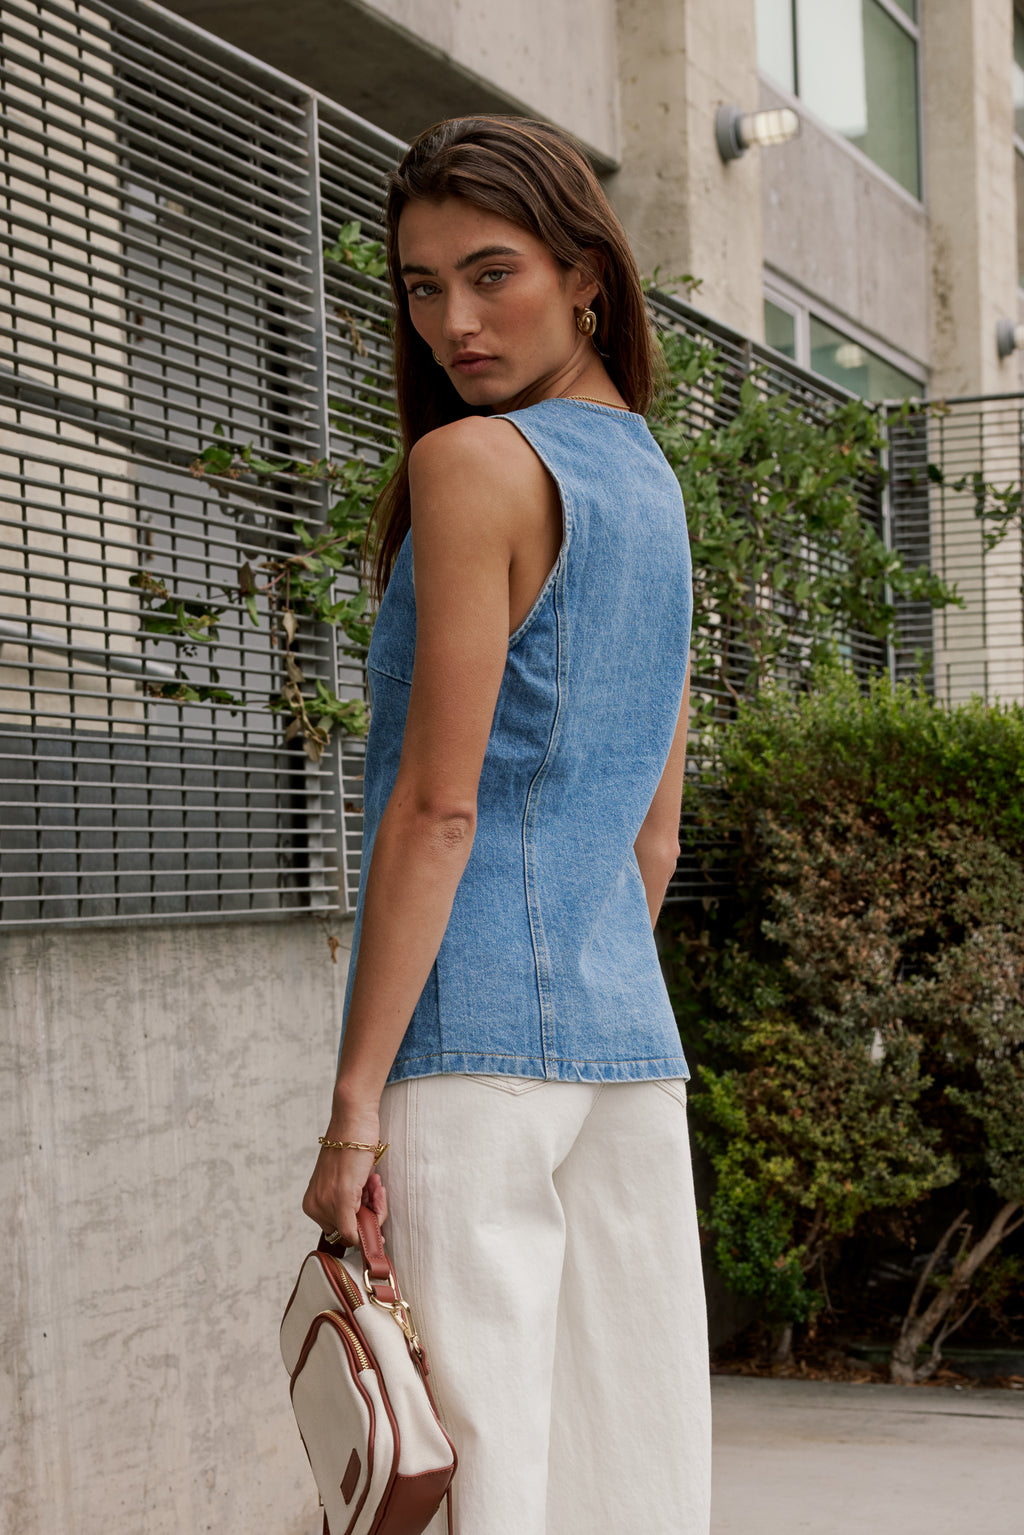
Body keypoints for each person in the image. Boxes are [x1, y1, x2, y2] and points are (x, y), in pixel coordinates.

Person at [302, 114, 710, 1535]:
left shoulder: (473, 463)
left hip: (471, 1045)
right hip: (626, 1047)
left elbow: (440, 806)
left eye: (493, 275)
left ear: (585, 275)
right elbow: (652, 840)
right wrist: (577, 989)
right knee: (631, 1474)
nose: (455, 323)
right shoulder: (651, 482)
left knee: (481, 1479)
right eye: (423, 288)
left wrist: (354, 1111)